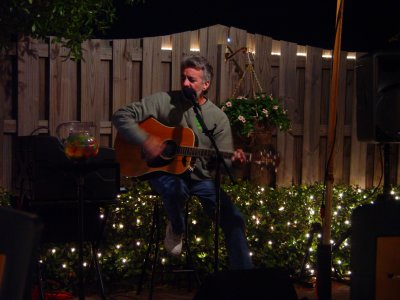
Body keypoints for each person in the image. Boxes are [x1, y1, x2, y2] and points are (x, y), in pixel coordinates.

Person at [112, 54, 253, 270]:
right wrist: (146, 139)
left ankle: (245, 279)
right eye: (184, 78)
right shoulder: (164, 101)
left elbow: (219, 165)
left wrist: (236, 162)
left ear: (206, 84)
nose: (185, 83)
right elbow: (121, 116)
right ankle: (177, 228)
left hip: (200, 179)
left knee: (234, 218)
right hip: (164, 172)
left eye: (192, 80)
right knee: (176, 189)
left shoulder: (218, 118)